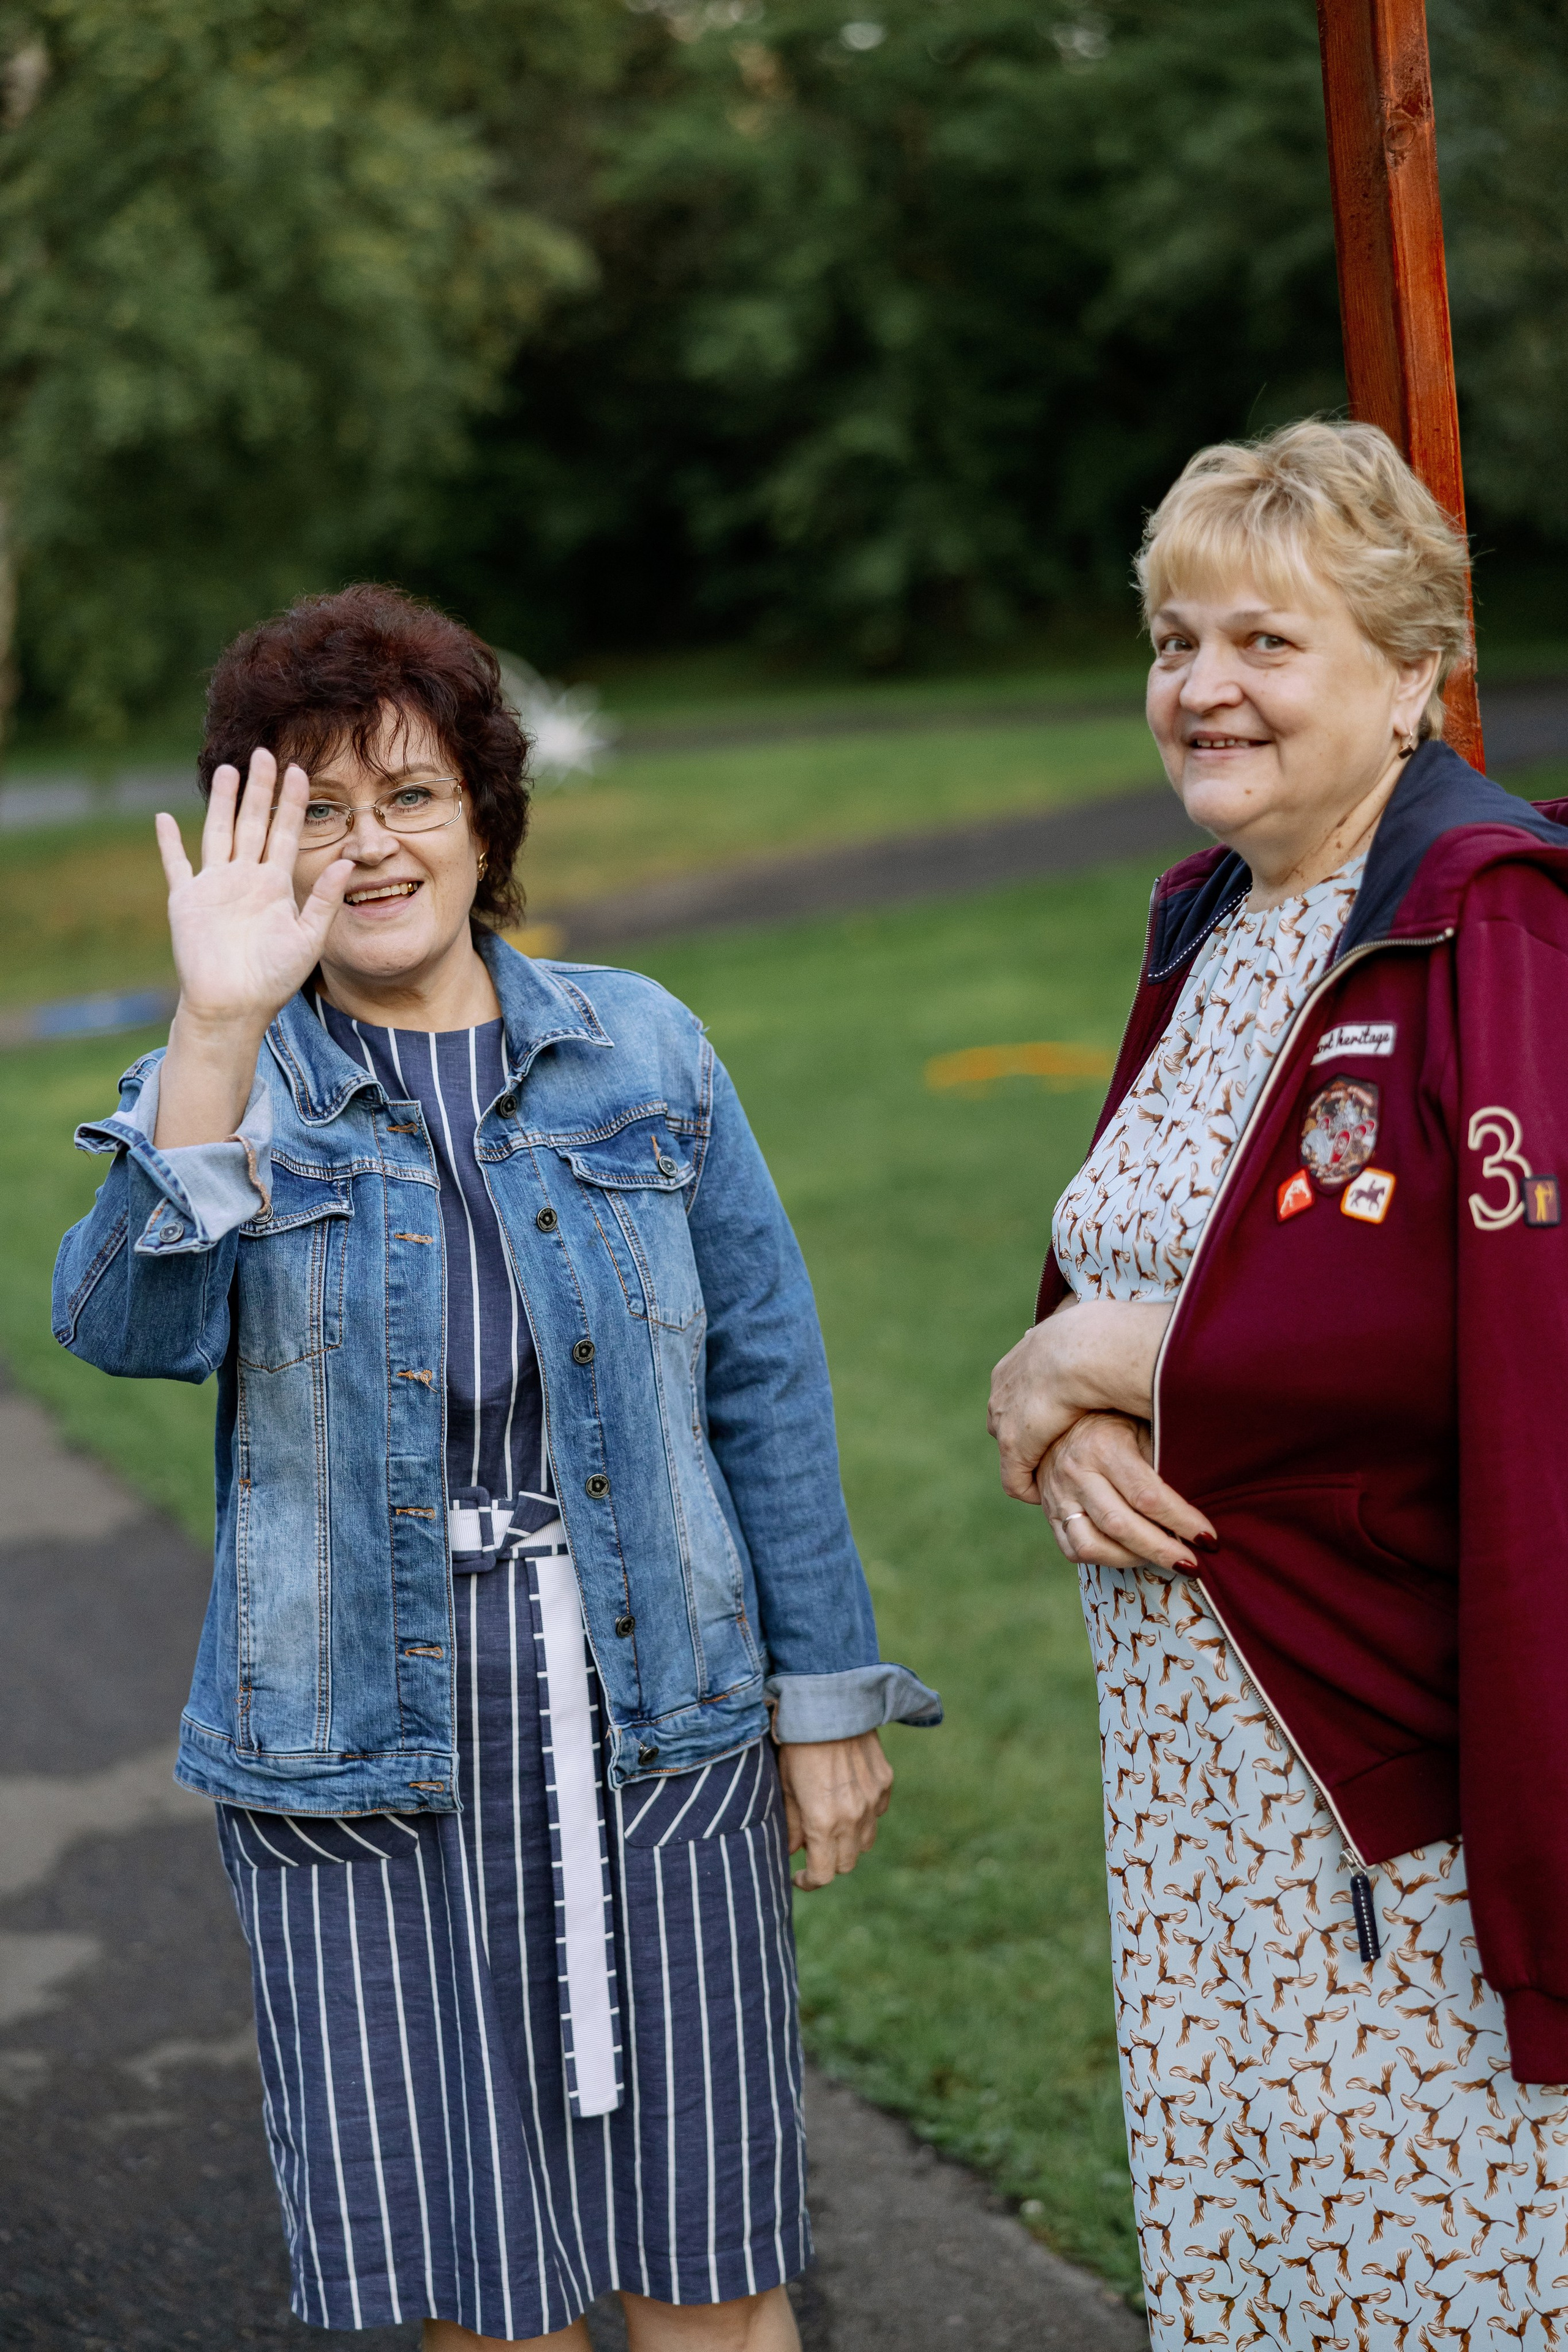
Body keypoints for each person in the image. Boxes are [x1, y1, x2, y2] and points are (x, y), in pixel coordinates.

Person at [53, 584, 940, 2351]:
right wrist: (220, 1029)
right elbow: (123, 1329)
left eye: (408, 797)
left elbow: (764, 1385)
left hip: (658, 1722)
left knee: (711, 2267)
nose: (368, 849)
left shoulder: (647, 1049)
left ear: (484, 817)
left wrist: (823, 1694)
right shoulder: (228, 1081)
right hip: (357, 1766)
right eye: (314, 810)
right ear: (254, 848)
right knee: (480, 2299)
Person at [987, 420, 1568, 2346]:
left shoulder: (1495, 920)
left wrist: (1106, 1357)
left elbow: (1487, 1323)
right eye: (1173, 639)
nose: (1202, 687)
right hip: (1188, 1758)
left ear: (1410, 675)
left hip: (1381, 1737)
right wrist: (1066, 1404)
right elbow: (1137, 1241)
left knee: (1427, 2252)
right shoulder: (1215, 920)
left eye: (1266, 640)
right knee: (1248, 2241)